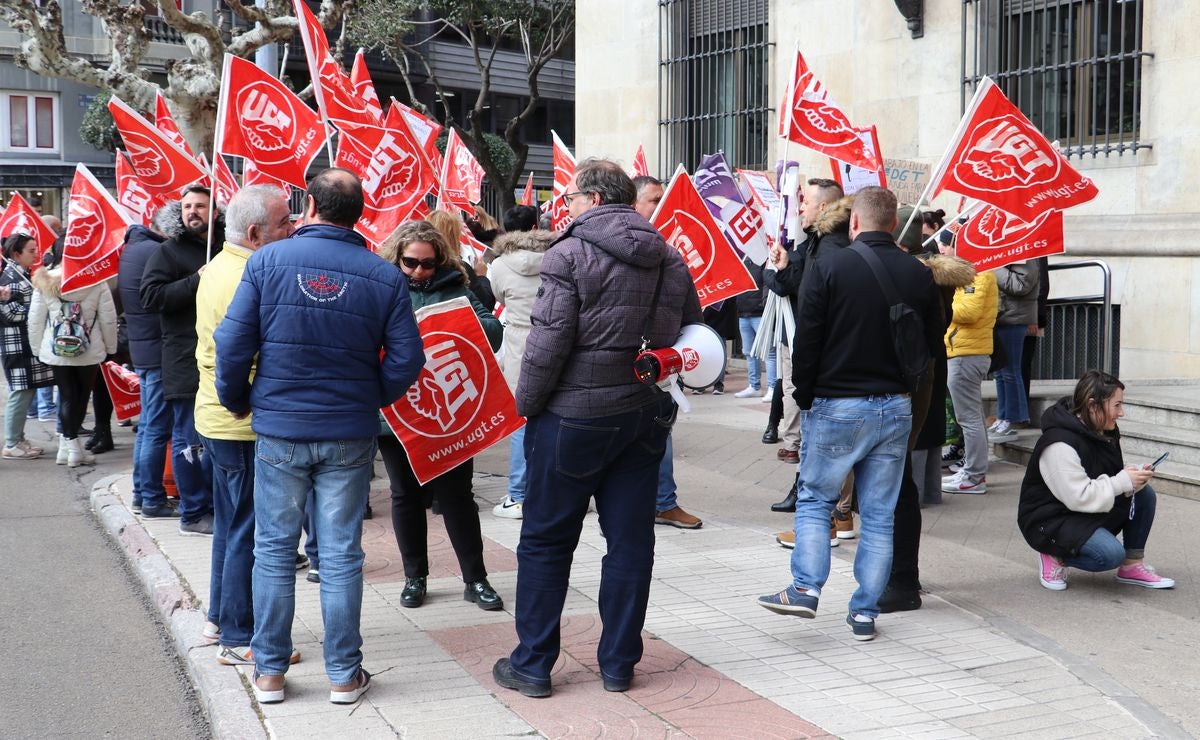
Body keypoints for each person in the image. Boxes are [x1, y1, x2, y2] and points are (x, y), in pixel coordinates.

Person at [493, 159, 702, 697]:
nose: (566, 206)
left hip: (572, 416)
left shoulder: (569, 253)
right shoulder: (668, 255)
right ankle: (618, 664)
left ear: (589, 199)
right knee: (630, 543)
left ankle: (534, 664)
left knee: (544, 541)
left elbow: (547, 344)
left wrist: (528, 407)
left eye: (570, 198)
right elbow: (690, 335)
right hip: (641, 413)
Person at [215, 168, 424, 706]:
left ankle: (269, 673)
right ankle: (342, 674)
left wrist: (240, 400)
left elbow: (232, 344)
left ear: (309, 205)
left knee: (274, 551)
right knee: (338, 555)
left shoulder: (266, 262)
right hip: (347, 431)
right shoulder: (383, 275)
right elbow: (408, 359)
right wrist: (371, 396)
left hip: (281, 428)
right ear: (359, 212)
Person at [758, 186, 941, 642]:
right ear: (893, 222)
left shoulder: (830, 266)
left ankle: (805, 589)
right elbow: (934, 340)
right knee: (879, 513)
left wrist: (802, 396)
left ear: (853, 222)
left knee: (817, 500)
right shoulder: (918, 273)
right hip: (896, 405)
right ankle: (864, 613)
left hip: (838, 402)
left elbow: (809, 340)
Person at [376, 220, 505, 611]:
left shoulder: (456, 287)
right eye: (411, 262)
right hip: (396, 413)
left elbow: (493, 331)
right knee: (406, 496)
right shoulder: (380, 288)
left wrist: (451, 322)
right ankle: (415, 577)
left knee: (457, 498)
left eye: (428, 264)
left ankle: (475, 578)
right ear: (397, 257)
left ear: (440, 260)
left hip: (449, 412)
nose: (419, 271)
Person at [196, 186, 295, 666]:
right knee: (248, 532)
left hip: (221, 420)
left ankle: (222, 617)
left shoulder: (219, 266)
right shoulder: (248, 276)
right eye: (284, 223)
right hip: (241, 423)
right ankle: (240, 636)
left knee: (231, 526)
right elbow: (244, 355)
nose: (293, 229)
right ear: (256, 233)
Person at [1018, 370, 1174, 591]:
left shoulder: (1101, 428)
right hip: (1051, 520)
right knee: (1109, 556)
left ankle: (1131, 565)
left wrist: (1132, 475)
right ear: (1092, 405)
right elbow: (1078, 496)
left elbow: (1106, 474)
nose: (1122, 413)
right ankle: (1055, 554)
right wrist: (1122, 481)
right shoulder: (1059, 444)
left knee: (1143, 493)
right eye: (1117, 405)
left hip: (1080, 510)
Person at [140, 185, 220, 536]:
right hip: (184, 362)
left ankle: (216, 507)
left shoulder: (223, 250)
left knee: (217, 442)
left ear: (215, 212)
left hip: (220, 361)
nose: (193, 211)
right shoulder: (167, 253)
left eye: (200, 205)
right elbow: (150, 297)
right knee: (189, 441)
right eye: (187, 206)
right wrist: (194, 281)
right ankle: (192, 512)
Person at [632, 174, 703, 530]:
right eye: (653, 199)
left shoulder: (670, 254)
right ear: (633, 203)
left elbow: (691, 312)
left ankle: (663, 502)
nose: (662, 205)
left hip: (659, 364)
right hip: (617, 367)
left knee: (661, 430)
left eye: (663, 197)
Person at [764, 179, 848, 471]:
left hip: (821, 353)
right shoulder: (818, 240)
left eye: (805, 201)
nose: (800, 207)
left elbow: (814, 299)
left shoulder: (832, 247)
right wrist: (786, 266)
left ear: (823, 206)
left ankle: (816, 498)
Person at [488, 204, 553, 520]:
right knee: (558, 419)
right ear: (536, 225)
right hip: (556, 344)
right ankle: (556, 492)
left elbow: (499, 298)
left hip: (519, 349)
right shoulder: (559, 256)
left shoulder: (499, 265)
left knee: (522, 421)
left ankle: (518, 495)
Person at [28, 249, 118, 467]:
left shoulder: (45, 280)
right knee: (81, 397)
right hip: (89, 348)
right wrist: (110, 347)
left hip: (57, 348)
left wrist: (37, 349)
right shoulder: (96, 281)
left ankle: (68, 448)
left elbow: (36, 319)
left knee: (66, 396)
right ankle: (73, 447)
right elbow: (108, 318)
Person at [118, 205, 179, 517]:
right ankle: (152, 498)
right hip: (156, 349)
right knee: (156, 427)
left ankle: (143, 494)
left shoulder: (134, 247)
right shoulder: (155, 251)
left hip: (144, 347)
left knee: (148, 427)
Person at [940, 254, 998, 495]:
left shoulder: (978, 274)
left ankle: (974, 476)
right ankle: (974, 472)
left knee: (969, 418)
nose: (943, 251)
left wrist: (941, 302)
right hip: (965, 352)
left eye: (947, 245)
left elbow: (968, 312)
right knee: (972, 416)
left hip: (966, 354)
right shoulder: (971, 275)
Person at [1, 233, 55, 459]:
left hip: (23, 344)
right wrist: (38, 312)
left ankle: (18, 439)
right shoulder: (10, 278)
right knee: (21, 393)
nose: (36, 255)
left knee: (26, 391)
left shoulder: (19, 274)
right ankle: (12, 443)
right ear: (16, 254)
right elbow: (8, 313)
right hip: (16, 345)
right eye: (31, 251)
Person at [989, 261, 1040, 441]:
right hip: (1004, 316)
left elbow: (1021, 285)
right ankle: (1003, 416)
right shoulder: (1007, 255)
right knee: (1001, 372)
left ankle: (1012, 419)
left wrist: (993, 268)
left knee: (1010, 371)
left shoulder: (1026, 256)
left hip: (1015, 318)